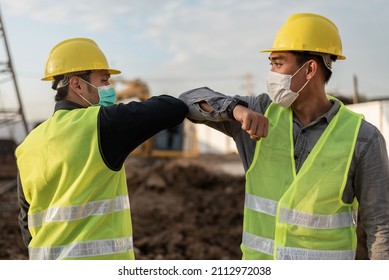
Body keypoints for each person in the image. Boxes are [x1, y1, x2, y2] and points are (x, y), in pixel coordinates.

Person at [179, 13, 389, 260]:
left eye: (278, 64)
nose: (271, 74)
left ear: (310, 69)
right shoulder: (257, 111)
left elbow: (380, 225)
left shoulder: (363, 139)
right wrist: (234, 109)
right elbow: (188, 101)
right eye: (271, 64)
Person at [16, 38, 188, 260]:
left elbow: (25, 221)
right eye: (104, 80)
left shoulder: (29, 144)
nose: (109, 88)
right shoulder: (100, 123)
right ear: (77, 85)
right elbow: (173, 108)